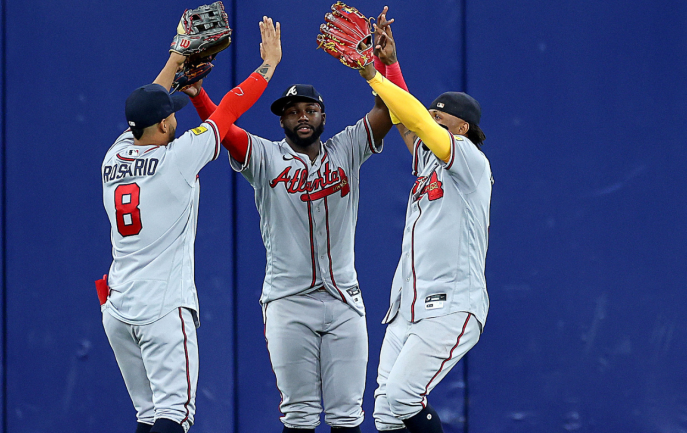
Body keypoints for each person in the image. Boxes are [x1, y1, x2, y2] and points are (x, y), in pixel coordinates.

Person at [181, 36, 394, 433]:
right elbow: (224, 131)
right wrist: (198, 96)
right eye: (292, 111)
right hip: (288, 302)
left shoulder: (346, 147)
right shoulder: (264, 156)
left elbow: (389, 110)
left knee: (348, 416)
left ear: (323, 117)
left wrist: (384, 66)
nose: (302, 116)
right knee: (298, 415)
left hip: (345, 300)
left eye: (310, 109)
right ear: (281, 121)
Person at [98, 17, 281, 433]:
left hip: (119, 310)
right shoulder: (177, 160)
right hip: (160, 310)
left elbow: (148, 101)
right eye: (171, 115)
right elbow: (232, 106)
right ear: (163, 125)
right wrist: (268, 64)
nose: (175, 117)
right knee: (174, 417)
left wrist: (176, 57)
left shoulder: (116, 154)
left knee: (149, 417)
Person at [355, 8, 492, 433]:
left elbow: (413, 117)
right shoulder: (428, 160)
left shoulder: (467, 158)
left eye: (441, 118)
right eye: (431, 115)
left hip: (451, 305)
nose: (432, 121)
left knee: (402, 398)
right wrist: (388, 62)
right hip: (408, 308)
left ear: (462, 127)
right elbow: (406, 120)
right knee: (385, 414)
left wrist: (370, 75)